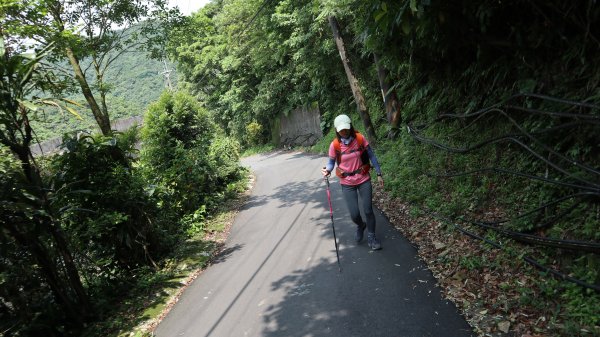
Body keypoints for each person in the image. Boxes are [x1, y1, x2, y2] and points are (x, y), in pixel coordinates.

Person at [321, 114, 384, 250]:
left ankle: (372, 237)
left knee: (368, 210)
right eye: (341, 130)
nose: (344, 132)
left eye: (346, 129)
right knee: (354, 214)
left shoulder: (360, 139)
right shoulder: (335, 145)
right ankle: (361, 225)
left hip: (363, 179)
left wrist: (379, 173)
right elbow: (331, 163)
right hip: (347, 182)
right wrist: (328, 170)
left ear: (350, 126)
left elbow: (371, 155)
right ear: (337, 130)